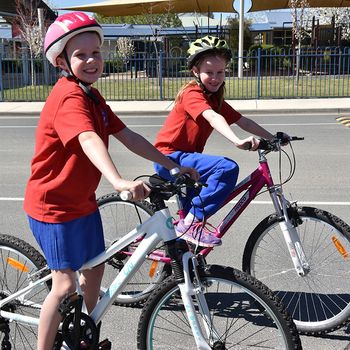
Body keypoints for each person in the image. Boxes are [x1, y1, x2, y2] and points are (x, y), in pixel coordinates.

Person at [23, 12, 198, 350]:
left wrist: (171, 165)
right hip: (53, 206)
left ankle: (83, 337)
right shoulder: (69, 98)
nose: (91, 60)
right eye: (80, 54)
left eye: (96, 52)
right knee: (64, 286)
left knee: (96, 270)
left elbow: (126, 135)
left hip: (81, 203)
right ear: (61, 60)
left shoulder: (92, 96)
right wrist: (118, 180)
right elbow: (88, 139)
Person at [154, 35, 282, 248]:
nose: (215, 78)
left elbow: (243, 121)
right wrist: (236, 141)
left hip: (186, 160)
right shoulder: (192, 94)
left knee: (187, 238)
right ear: (195, 71)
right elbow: (213, 118)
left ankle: (179, 264)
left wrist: (273, 138)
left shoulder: (215, 99)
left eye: (220, 72)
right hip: (169, 158)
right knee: (226, 168)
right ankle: (191, 223)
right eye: (209, 73)